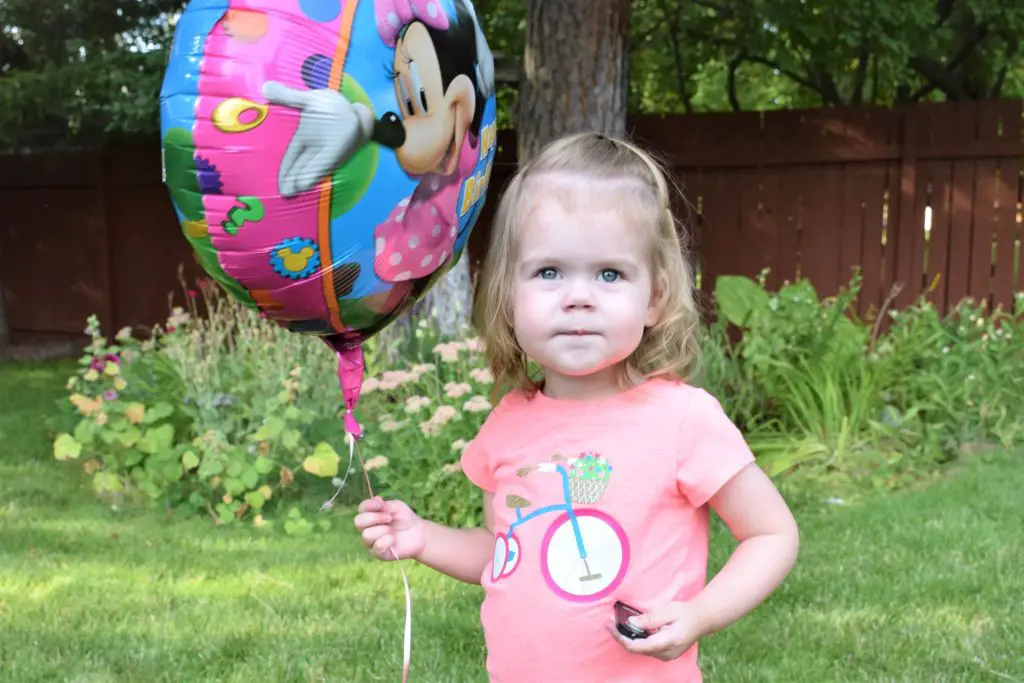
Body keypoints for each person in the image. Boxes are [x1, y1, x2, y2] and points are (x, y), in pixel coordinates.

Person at [354, 131, 800, 682]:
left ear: (655, 298)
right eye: (549, 272)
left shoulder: (684, 421)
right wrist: (424, 538)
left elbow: (772, 535)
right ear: (508, 299)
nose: (578, 295)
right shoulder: (509, 423)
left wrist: (699, 614)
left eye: (610, 274)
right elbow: (504, 551)